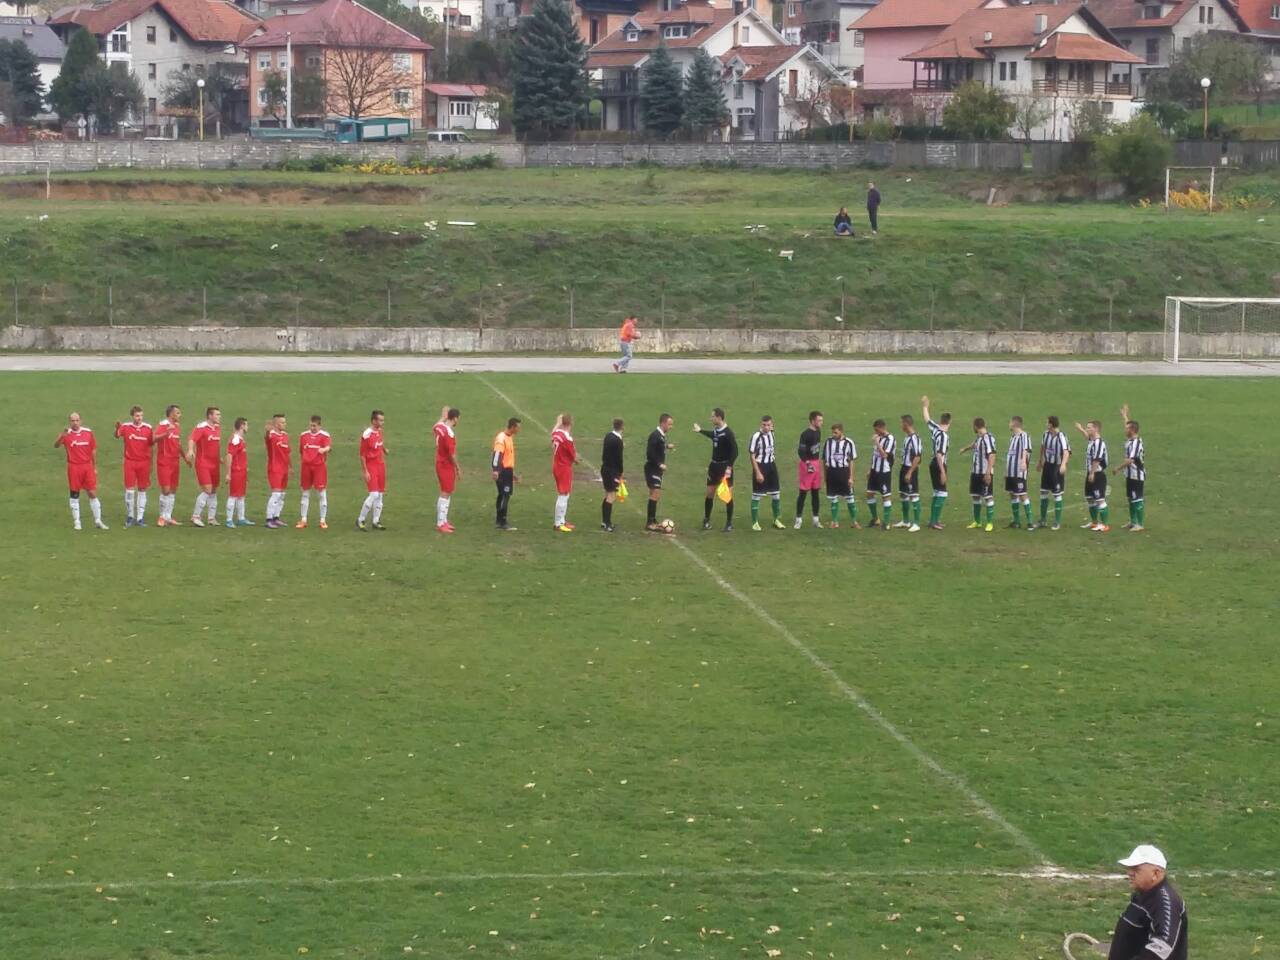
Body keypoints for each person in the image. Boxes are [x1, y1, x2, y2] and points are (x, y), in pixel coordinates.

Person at [1108, 845, 1187, 960]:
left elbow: (1162, 946)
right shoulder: (1143, 895)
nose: (1129, 873)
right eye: (1129, 868)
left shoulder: (1165, 902)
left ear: (1156, 874)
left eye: (1136, 869)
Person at [54, 412, 107, 530]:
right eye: (73, 421)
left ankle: (98, 521)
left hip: (87, 467)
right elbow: (56, 445)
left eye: (77, 420)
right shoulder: (66, 434)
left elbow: (93, 450)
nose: (75, 423)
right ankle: (77, 522)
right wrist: (61, 436)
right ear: (69, 422)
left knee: (92, 493)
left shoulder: (88, 433)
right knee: (75, 494)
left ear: (81, 421)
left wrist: (95, 466)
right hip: (74, 467)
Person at [694, 407, 738, 532]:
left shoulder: (728, 433)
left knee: (727, 495)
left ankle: (729, 523)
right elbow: (712, 435)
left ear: (719, 418)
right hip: (713, 466)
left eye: (712, 416)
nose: (711, 418)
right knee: (709, 493)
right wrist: (700, 430)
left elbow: (735, 451)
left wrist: (729, 467)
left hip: (724, 467)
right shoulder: (717, 430)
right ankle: (706, 520)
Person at [114, 405, 153, 528]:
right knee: (130, 490)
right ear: (132, 416)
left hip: (144, 463)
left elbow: (151, 444)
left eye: (141, 415)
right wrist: (117, 429)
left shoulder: (148, 428)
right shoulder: (126, 427)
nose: (139, 418)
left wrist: (151, 463)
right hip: (130, 462)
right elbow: (117, 435)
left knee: (142, 489)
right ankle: (130, 516)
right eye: (137, 416)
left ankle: (140, 518)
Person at [153, 404, 189, 527]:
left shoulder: (177, 426)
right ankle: (161, 517)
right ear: (171, 414)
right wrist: (165, 434)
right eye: (177, 413)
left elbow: (177, 443)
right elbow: (154, 438)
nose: (180, 415)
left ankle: (168, 517)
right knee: (166, 490)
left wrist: (185, 457)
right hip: (164, 461)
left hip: (175, 461)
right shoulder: (163, 425)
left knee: (173, 490)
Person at [187, 407, 222, 528]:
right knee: (207, 489)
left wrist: (219, 458)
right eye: (217, 414)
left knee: (213, 490)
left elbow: (215, 445)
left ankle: (211, 518)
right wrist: (191, 450)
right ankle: (195, 516)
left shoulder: (217, 428)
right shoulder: (201, 427)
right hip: (203, 463)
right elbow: (192, 439)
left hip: (215, 464)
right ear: (210, 416)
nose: (219, 417)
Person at [960, 417, 997, 532]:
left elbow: (992, 455)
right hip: (975, 472)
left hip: (984, 473)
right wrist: (965, 449)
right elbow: (975, 444)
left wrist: (988, 473)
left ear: (976, 426)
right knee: (975, 496)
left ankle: (989, 523)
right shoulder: (979, 437)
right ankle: (977, 521)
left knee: (988, 497)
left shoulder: (988, 438)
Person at [1113, 404, 1145, 532]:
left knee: (1137, 498)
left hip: (1136, 475)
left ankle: (1140, 524)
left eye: (1127, 429)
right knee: (1131, 498)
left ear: (1132, 430)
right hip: (1130, 474)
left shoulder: (1136, 443)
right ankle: (1133, 522)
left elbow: (1130, 460)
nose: (1124, 430)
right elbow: (1129, 425)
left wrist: (1118, 468)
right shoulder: (1131, 439)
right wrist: (1125, 416)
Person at [1074, 418, 1110, 532]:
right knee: (1090, 498)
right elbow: (1087, 436)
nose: (1087, 429)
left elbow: (1097, 459)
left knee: (1099, 499)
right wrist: (1080, 429)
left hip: (1097, 474)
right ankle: (1094, 522)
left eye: (1089, 428)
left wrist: (1092, 473)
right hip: (1091, 473)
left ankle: (1105, 525)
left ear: (1096, 429)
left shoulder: (1099, 443)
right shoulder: (1092, 440)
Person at [749, 415, 784, 531]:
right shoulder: (756, 437)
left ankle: (776, 520)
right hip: (760, 466)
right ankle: (754, 522)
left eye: (768, 425)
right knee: (757, 495)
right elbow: (752, 456)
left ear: (772, 425)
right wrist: (758, 472)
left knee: (776, 494)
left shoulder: (771, 433)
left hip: (771, 466)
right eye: (764, 425)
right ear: (761, 425)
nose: (766, 427)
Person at [1036, 415, 1072, 530]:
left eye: (1047, 422)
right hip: (1047, 466)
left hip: (1057, 467)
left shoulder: (1061, 436)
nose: (1046, 424)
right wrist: (1040, 461)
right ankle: (1043, 520)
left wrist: (1063, 464)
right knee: (1043, 492)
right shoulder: (1045, 434)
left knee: (1057, 494)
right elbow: (1042, 447)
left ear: (1051, 424)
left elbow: (1066, 452)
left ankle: (1057, 522)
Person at [297, 415, 331, 530]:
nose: (312, 428)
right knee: (305, 493)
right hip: (306, 467)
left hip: (319, 467)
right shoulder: (303, 436)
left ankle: (322, 520)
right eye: (311, 425)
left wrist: (324, 449)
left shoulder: (325, 436)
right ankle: (303, 519)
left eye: (314, 426)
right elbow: (301, 451)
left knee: (321, 493)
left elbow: (328, 447)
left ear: (319, 426)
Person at [922, 396, 951, 530]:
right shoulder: (944, 436)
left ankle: (934, 520)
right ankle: (934, 522)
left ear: (941, 421)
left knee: (937, 492)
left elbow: (927, 419)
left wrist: (925, 406)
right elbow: (939, 454)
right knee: (942, 493)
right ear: (949, 422)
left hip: (932, 463)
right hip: (939, 464)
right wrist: (943, 472)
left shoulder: (936, 429)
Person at [822, 422, 858, 528]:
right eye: (832, 432)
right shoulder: (828, 442)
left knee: (850, 498)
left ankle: (854, 522)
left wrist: (851, 477)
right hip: (832, 472)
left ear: (841, 431)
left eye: (835, 433)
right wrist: (825, 476)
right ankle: (834, 522)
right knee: (833, 498)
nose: (833, 434)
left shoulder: (849, 442)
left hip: (844, 472)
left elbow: (851, 461)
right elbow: (824, 460)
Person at [357, 409, 387, 531]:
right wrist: (365, 471)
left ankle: (376, 521)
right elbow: (362, 455)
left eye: (383, 420)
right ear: (374, 421)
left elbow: (380, 443)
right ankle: (360, 519)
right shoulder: (366, 435)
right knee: (374, 494)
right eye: (380, 420)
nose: (382, 423)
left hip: (381, 465)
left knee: (380, 494)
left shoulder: (379, 431)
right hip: (371, 466)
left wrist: (384, 450)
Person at [794, 410, 824, 529]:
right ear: (812, 421)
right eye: (819, 420)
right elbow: (801, 451)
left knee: (815, 492)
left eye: (821, 420)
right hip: (807, 464)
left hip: (816, 463)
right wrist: (807, 463)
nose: (821, 422)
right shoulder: (805, 434)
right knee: (803, 492)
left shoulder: (818, 432)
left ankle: (816, 519)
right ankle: (798, 519)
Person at [644, 413, 674, 532]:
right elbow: (649, 453)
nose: (671, 427)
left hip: (656, 469)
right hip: (652, 469)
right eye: (669, 424)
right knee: (655, 493)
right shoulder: (655, 435)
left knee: (654, 494)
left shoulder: (660, 436)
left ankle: (652, 520)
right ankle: (650, 522)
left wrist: (666, 446)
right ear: (663, 423)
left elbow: (658, 447)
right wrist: (659, 464)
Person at [551, 413, 580, 533]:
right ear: (571, 423)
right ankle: (558, 524)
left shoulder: (558, 433)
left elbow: (552, 434)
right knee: (563, 494)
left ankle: (562, 521)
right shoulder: (567, 438)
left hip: (557, 466)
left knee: (565, 494)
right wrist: (577, 460)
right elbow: (574, 457)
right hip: (564, 468)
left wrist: (558, 423)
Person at [435, 407, 461, 534]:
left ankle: (444, 521)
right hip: (446, 465)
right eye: (458, 418)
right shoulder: (449, 434)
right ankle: (440, 523)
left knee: (447, 492)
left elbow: (435, 426)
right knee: (445, 493)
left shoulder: (441, 427)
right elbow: (452, 454)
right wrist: (458, 468)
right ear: (455, 418)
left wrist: (443, 417)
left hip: (440, 462)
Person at [866, 419, 896, 530]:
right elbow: (875, 455)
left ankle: (886, 523)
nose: (876, 432)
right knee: (869, 493)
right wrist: (870, 469)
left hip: (884, 471)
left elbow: (884, 455)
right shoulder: (879, 437)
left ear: (882, 427)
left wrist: (877, 443)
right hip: (875, 470)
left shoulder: (890, 439)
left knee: (885, 496)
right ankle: (875, 519)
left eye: (877, 430)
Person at [492, 417, 520, 531]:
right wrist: (496, 470)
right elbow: (497, 455)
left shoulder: (509, 437)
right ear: (512, 427)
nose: (519, 430)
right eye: (518, 427)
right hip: (502, 471)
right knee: (505, 495)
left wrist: (512, 473)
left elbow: (507, 458)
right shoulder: (501, 438)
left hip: (507, 471)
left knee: (502, 495)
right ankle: (503, 522)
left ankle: (499, 520)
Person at [1005, 415, 1033, 530]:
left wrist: (1023, 461)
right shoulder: (1012, 437)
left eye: (1010, 422)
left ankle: (1030, 522)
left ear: (1014, 424)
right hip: (1010, 472)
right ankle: (1016, 521)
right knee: (1012, 494)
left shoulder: (1024, 436)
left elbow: (1026, 449)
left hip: (1019, 472)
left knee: (1022, 494)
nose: (1009, 424)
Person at [263, 413, 291, 529]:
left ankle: (276, 517)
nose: (285, 424)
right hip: (275, 468)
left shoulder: (285, 436)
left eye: (285, 422)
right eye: (282, 422)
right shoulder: (272, 435)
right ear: (276, 424)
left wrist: (290, 467)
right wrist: (267, 431)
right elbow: (267, 438)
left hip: (284, 468)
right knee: (276, 494)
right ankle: (269, 519)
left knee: (282, 495)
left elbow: (287, 452)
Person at [895, 414, 922, 532]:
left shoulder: (915, 439)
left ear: (906, 424)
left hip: (911, 469)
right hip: (904, 467)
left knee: (913, 495)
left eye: (901, 423)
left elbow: (917, 457)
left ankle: (916, 523)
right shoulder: (907, 437)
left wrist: (910, 472)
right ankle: (905, 521)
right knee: (903, 494)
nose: (901, 425)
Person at [224, 417, 250, 529]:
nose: (247, 427)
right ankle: (229, 520)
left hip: (242, 471)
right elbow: (229, 455)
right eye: (246, 425)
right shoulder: (235, 439)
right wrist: (228, 473)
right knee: (233, 495)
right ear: (242, 426)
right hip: (236, 472)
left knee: (241, 495)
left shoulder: (240, 439)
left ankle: (241, 518)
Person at [600, 418, 625, 532]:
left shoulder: (608, 435)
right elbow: (619, 459)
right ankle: (607, 523)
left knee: (607, 495)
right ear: (622, 427)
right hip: (612, 471)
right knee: (611, 496)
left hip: (605, 468)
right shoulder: (618, 441)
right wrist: (621, 472)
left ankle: (604, 522)